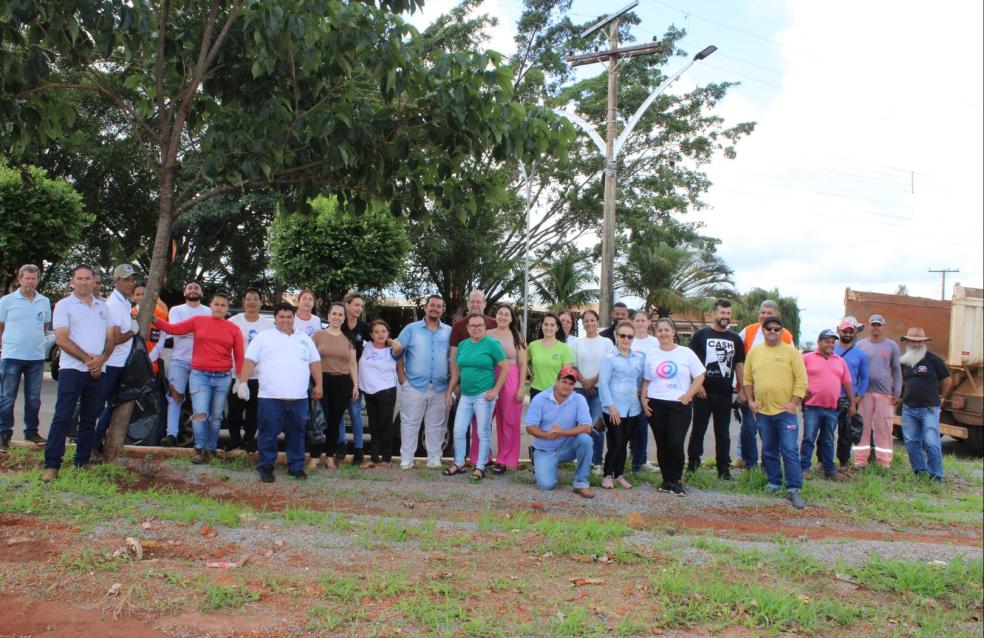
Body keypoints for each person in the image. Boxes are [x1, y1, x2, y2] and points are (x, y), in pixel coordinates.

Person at [153, 291, 244, 464]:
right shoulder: (198, 321)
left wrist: (239, 380)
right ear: (210, 305)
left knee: (216, 417)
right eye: (216, 304)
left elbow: (239, 356)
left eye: (223, 305)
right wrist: (155, 319)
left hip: (222, 377)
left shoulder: (233, 328)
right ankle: (199, 448)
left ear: (227, 309)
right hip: (200, 375)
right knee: (200, 414)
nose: (219, 308)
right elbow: (174, 329)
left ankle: (210, 449)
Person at [41, 265, 114, 480]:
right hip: (73, 370)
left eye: (87, 278)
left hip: (99, 370)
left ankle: (82, 462)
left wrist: (101, 361)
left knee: (90, 418)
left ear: (94, 281)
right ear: (72, 281)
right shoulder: (64, 305)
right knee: (63, 416)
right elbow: (62, 339)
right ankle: (52, 465)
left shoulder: (103, 306)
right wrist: (89, 360)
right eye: (79, 278)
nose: (84, 282)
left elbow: (111, 339)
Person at [236, 303, 322, 483]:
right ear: (275, 318)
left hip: (298, 399)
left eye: (289, 317)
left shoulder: (304, 338)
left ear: (294, 318)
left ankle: (296, 467)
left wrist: (318, 385)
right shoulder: (264, 337)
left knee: (297, 434)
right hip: (270, 398)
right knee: (268, 434)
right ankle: (266, 467)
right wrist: (243, 382)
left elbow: (314, 363)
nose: (285, 320)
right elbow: (250, 360)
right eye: (281, 317)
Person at [743, 316, 808, 509]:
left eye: (776, 329)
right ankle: (773, 482)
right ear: (763, 330)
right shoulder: (754, 353)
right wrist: (751, 401)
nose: (772, 332)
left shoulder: (791, 353)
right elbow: (747, 380)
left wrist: (794, 402)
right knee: (769, 449)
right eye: (768, 329)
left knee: (789, 449)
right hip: (763, 412)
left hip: (785, 412)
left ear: (782, 331)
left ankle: (794, 488)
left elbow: (802, 380)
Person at [641, 318, 706, 496]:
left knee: (675, 443)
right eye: (660, 330)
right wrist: (643, 399)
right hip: (656, 405)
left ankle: (677, 480)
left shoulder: (686, 353)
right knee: (662, 445)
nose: (663, 334)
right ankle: (666, 479)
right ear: (656, 334)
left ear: (674, 332)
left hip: (680, 405)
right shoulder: (652, 355)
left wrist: (688, 395)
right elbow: (647, 380)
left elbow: (700, 375)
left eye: (667, 330)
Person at [443, 313, 509, 481]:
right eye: (473, 325)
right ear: (467, 328)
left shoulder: (491, 344)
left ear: (485, 327)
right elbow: (457, 370)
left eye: (480, 325)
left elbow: (505, 367)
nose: (476, 328)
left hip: (484, 396)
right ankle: (459, 463)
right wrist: (449, 391)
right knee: (458, 430)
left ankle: (480, 467)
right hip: (465, 396)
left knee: (482, 432)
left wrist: (495, 390)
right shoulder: (463, 344)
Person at [687, 299, 744, 479]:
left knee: (723, 433)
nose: (725, 317)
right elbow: (690, 363)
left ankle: (723, 470)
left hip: (725, 394)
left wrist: (742, 389)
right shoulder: (701, 336)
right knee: (698, 431)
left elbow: (739, 366)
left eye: (728, 313)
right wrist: (697, 386)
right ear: (714, 314)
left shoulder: (735, 339)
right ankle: (692, 466)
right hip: (703, 393)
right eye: (722, 313)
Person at [735, 300, 794, 470]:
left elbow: (792, 365)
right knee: (748, 429)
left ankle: (767, 465)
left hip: (774, 395)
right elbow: (736, 356)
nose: (764, 316)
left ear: (776, 316)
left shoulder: (786, 336)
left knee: (768, 433)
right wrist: (738, 386)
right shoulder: (748, 331)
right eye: (762, 312)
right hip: (749, 391)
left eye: (769, 313)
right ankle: (750, 465)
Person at [396, 294, 452, 469]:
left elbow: (455, 357)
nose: (435, 308)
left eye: (439, 306)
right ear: (426, 307)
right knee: (409, 423)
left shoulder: (449, 332)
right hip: (413, 385)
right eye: (432, 305)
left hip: (441, 386)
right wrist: (402, 377)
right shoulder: (411, 329)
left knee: (436, 424)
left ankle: (434, 458)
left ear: (442, 310)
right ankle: (407, 458)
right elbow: (398, 350)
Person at [0, 264, 51, 451]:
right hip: (12, 355)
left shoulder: (44, 301)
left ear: (38, 280)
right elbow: (1, 326)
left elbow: (45, 327)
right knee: (6, 397)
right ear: (19, 279)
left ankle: (31, 432)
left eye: (33, 278)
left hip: (36, 357)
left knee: (33, 398)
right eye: (27, 278)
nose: (30, 281)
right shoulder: (7, 301)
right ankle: (4, 433)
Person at [525, 365, 595, 498]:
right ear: (557, 381)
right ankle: (545, 466)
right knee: (545, 485)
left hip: (567, 446)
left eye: (571, 383)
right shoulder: (540, 398)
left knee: (585, 439)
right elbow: (530, 427)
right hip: (545, 448)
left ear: (574, 385)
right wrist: (547, 435)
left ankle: (581, 483)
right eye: (564, 381)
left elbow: (587, 427)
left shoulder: (579, 399)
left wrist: (562, 433)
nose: (567, 386)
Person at [93, 264, 140, 453]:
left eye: (132, 280)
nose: (131, 284)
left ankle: (95, 441)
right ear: (117, 281)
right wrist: (132, 332)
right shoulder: (114, 304)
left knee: (112, 405)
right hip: (112, 363)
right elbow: (116, 338)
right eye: (127, 280)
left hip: (120, 362)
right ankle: (90, 443)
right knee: (101, 405)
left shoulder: (124, 302)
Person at [450, 290, 497, 466]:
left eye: (479, 301)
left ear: (485, 304)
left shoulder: (493, 324)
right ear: (468, 304)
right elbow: (454, 358)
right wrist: (454, 385)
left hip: (487, 385)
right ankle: (464, 459)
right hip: (465, 385)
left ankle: (483, 458)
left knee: (483, 425)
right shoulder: (458, 326)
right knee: (462, 426)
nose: (476, 304)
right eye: (472, 302)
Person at [801, 329, 856, 480]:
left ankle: (829, 470)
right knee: (809, 438)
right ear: (819, 342)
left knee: (828, 440)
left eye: (833, 342)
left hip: (832, 408)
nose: (830, 344)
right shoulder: (806, 358)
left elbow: (846, 383)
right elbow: (795, 375)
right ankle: (804, 468)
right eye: (827, 341)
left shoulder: (840, 361)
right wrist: (801, 390)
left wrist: (852, 403)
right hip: (812, 407)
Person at [309, 302, 359, 469]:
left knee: (334, 420)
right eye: (334, 314)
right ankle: (315, 457)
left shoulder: (349, 338)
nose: (337, 317)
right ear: (328, 316)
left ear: (344, 318)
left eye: (340, 315)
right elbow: (310, 360)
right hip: (321, 381)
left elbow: (353, 363)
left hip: (343, 382)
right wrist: (315, 383)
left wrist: (355, 385)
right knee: (318, 421)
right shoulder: (318, 335)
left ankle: (330, 457)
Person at [162, 281, 211, 447]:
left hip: (202, 362)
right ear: (184, 292)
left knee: (200, 400)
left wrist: (189, 331)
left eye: (196, 287)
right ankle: (171, 435)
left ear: (202, 293)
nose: (193, 290)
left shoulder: (208, 311)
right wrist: (197, 332)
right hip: (179, 360)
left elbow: (208, 335)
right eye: (190, 287)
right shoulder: (176, 310)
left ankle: (200, 438)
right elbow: (176, 330)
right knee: (175, 398)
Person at [899, 327, 951, 481]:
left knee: (931, 442)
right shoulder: (904, 361)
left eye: (919, 341)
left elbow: (947, 380)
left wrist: (942, 397)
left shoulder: (934, 359)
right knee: (911, 442)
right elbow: (902, 381)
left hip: (929, 409)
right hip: (909, 408)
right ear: (907, 342)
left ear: (924, 342)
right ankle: (920, 473)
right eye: (913, 341)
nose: (916, 344)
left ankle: (936, 475)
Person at [598, 320, 645, 489]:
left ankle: (619, 475)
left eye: (629, 336)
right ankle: (607, 475)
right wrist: (611, 406)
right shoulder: (609, 358)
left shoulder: (639, 358)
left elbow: (640, 380)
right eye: (622, 335)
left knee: (623, 443)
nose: (626, 339)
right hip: (613, 408)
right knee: (616, 442)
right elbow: (603, 383)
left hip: (632, 408)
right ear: (616, 336)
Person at [226, 288, 274, 452]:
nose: (252, 302)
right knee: (234, 411)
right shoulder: (233, 321)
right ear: (243, 302)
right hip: (236, 374)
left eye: (255, 299)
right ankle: (234, 440)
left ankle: (248, 441)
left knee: (254, 412)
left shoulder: (268, 326)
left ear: (261, 302)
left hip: (258, 376)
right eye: (249, 299)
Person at [481, 304, 527, 473]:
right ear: (496, 315)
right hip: (489, 376)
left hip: (511, 378)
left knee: (509, 421)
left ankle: (504, 460)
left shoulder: (517, 337)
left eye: (506, 314)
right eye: (500, 313)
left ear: (511, 318)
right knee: (483, 418)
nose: (502, 316)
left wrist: (521, 388)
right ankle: (483, 457)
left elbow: (523, 365)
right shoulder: (487, 334)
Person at [854, 314, 902, 468]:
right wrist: (855, 392)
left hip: (884, 392)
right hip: (864, 393)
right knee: (863, 426)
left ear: (883, 326)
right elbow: (854, 368)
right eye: (873, 324)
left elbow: (896, 369)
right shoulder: (861, 344)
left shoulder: (891, 345)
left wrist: (897, 391)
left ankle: (884, 461)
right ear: (869, 326)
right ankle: (860, 459)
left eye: (878, 325)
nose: (876, 327)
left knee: (884, 427)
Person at [571, 309, 615, 475]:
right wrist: (584, 381)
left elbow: (608, 366)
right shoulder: (577, 343)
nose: (589, 323)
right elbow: (574, 366)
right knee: (582, 425)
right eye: (586, 321)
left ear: (597, 322)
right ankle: (584, 459)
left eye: (592, 320)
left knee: (597, 425)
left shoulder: (606, 343)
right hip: (580, 389)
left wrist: (593, 381)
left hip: (599, 389)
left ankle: (597, 461)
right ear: (583, 324)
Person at [358, 319, 403, 468]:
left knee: (385, 427)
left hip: (386, 392)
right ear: (370, 334)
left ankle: (386, 459)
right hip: (369, 392)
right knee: (374, 427)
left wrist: (388, 339)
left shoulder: (391, 350)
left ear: (388, 333)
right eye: (376, 332)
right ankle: (374, 458)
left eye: (383, 331)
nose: (380, 334)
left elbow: (399, 346)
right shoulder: (367, 346)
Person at [336, 292, 370, 466]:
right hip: (338, 375)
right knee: (340, 412)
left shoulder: (364, 327)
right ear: (347, 304)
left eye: (361, 306)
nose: (359, 308)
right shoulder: (338, 325)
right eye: (356, 304)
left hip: (356, 376)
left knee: (355, 412)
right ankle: (340, 445)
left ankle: (358, 449)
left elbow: (378, 341)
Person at [833, 316, 868, 468]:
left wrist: (860, 395)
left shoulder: (860, 355)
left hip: (848, 398)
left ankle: (844, 462)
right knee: (826, 431)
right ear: (838, 330)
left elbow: (864, 377)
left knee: (845, 433)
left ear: (855, 333)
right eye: (845, 330)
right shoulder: (829, 348)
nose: (847, 333)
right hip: (829, 397)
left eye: (850, 331)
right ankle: (823, 461)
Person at [629, 310, 660, 473]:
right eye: (637, 320)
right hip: (628, 391)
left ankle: (641, 461)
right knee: (629, 427)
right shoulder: (627, 340)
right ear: (632, 323)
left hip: (648, 391)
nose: (640, 323)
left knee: (642, 426)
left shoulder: (655, 342)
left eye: (643, 320)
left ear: (649, 322)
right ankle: (631, 458)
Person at [527, 312, 575, 400]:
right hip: (536, 392)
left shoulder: (564, 348)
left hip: (556, 392)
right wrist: (529, 376)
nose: (548, 328)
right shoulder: (533, 346)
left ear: (557, 328)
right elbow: (522, 363)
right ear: (542, 326)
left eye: (552, 325)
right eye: (546, 324)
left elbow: (567, 375)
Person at [131, 282, 169, 376]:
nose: (141, 297)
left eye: (144, 294)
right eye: (137, 294)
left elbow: (162, 339)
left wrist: (150, 358)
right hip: (133, 360)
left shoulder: (161, 314)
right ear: (133, 297)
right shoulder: (130, 312)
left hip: (152, 360)